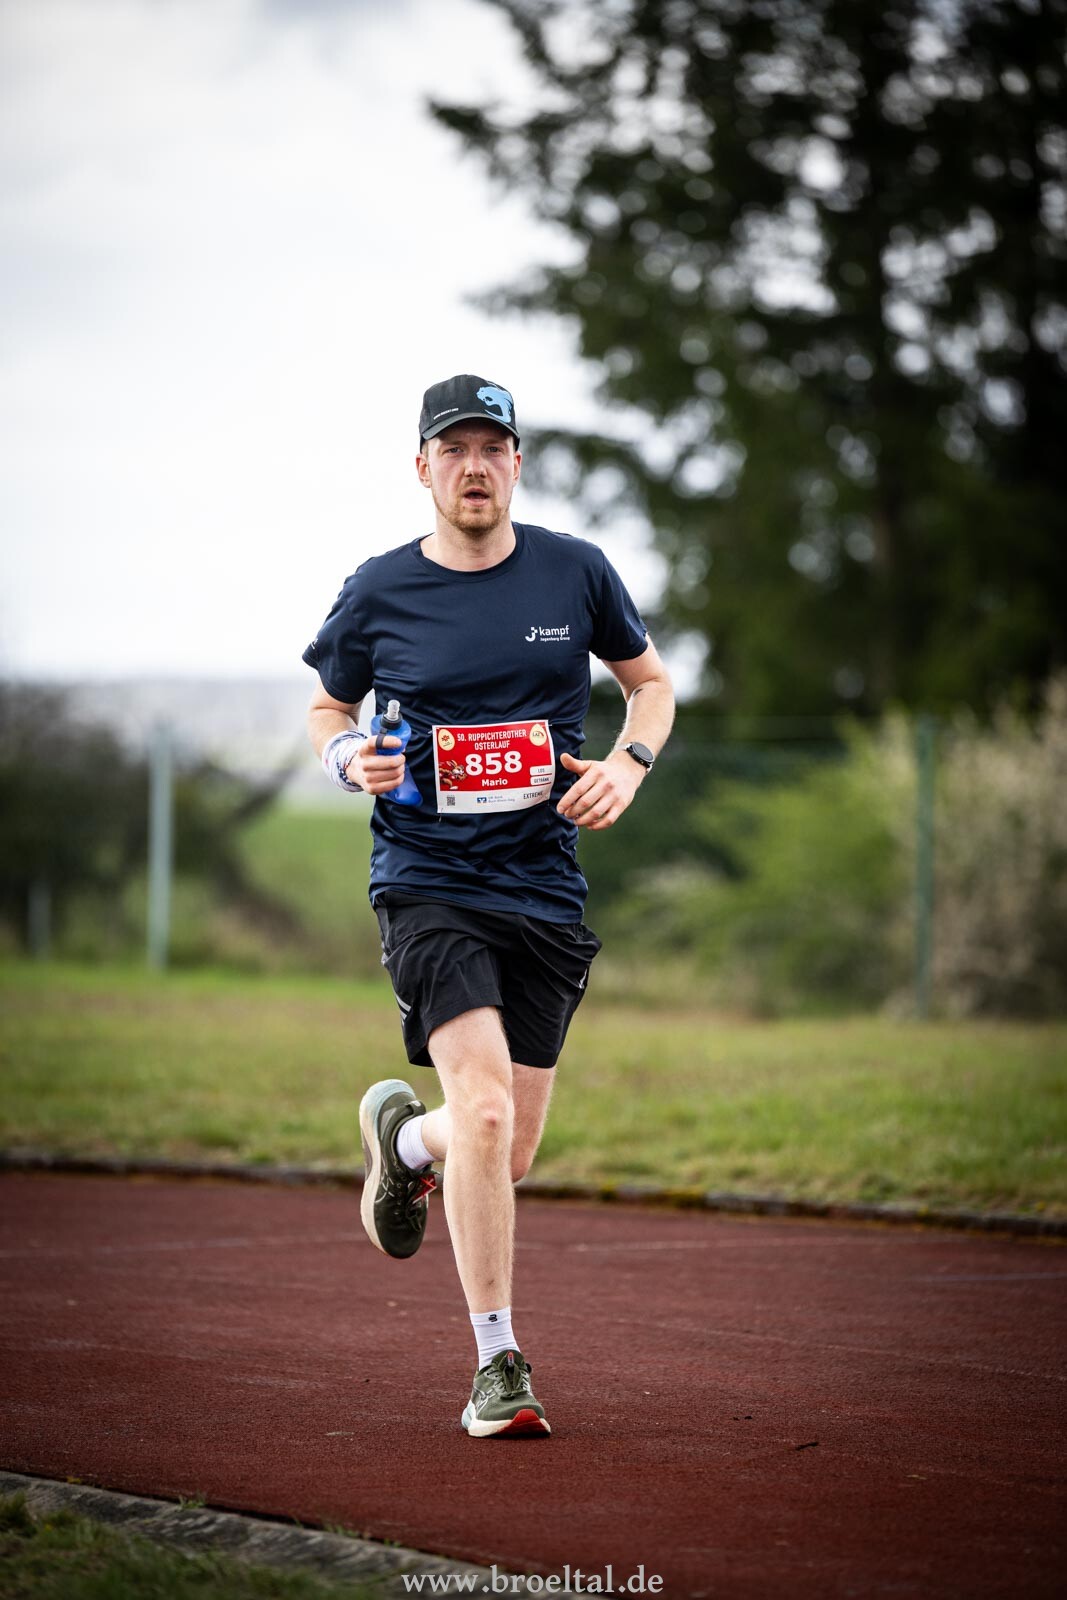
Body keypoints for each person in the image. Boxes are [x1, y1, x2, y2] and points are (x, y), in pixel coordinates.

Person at [303, 374, 674, 1438]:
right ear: (422, 467)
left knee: (499, 1152)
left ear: (516, 462)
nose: (474, 466)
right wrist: (347, 756)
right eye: (453, 448)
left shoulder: (574, 571)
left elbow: (649, 683)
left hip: (541, 887)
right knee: (487, 1110)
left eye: (491, 447)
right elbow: (328, 703)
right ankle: (496, 1363)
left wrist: (628, 764)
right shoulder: (379, 589)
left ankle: (405, 1148)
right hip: (426, 881)